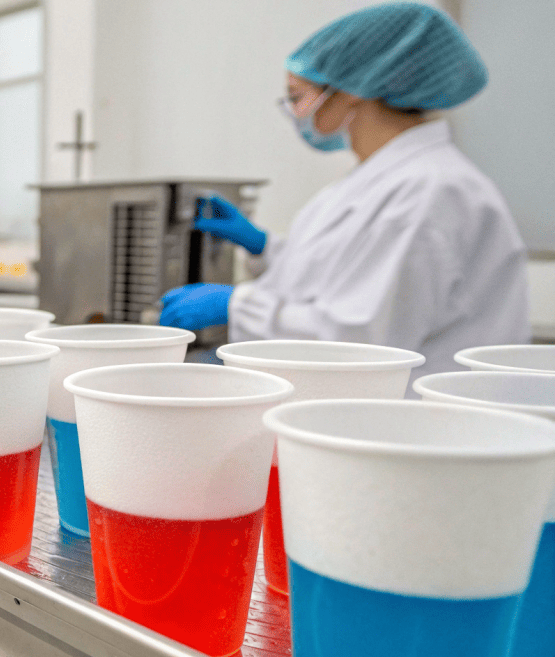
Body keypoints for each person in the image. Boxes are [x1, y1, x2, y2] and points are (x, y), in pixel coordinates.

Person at [160, 3, 530, 379]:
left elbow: (360, 338)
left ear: (352, 90)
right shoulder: (384, 179)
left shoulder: (428, 191)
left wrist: (236, 305)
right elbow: (342, 275)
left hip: (415, 408)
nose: (294, 113)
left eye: (296, 97)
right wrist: (264, 247)